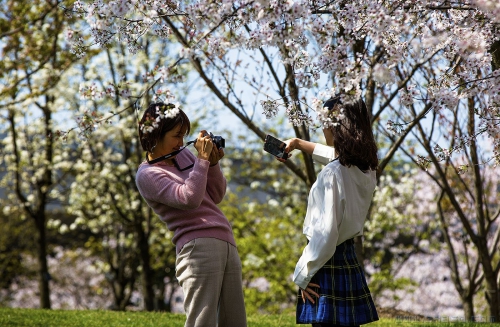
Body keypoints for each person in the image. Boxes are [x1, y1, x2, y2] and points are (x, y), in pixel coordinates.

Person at [135, 102, 247, 327]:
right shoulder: (148, 174)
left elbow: (215, 194)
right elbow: (189, 199)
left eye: (184, 135)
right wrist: (202, 161)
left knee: (235, 322)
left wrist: (212, 164)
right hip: (197, 246)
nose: (181, 142)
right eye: (177, 135)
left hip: (224, 240)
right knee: (201, 321)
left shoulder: (182, 155)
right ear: (156, 134)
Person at [279, 96, 379, 327]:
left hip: (326, 259)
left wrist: (303, 273)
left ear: (335, 126)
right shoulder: (367, 167)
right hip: (347, 257)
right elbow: (334, 155)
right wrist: (297, 143)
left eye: (324, 122)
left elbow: (326, 233)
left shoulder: (332, 173)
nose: (322, 128)